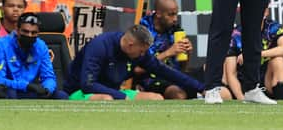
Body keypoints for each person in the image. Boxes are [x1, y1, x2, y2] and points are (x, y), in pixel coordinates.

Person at [63, 24, 204, 101]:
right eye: (142, 51)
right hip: (80, 92)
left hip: (115, 93)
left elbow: (165, 71)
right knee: (106, 100)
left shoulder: (137, 53)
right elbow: (88, 84)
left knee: (156, 99)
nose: (143, 55)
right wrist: (122, 96)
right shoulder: (100, 46)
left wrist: (201, 88)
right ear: (130, 45)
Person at [137, 0, 201, 99]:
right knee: (178, 94)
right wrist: (168, 53)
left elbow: (183, 69)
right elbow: (138, 69)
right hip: (151, 79)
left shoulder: (175, 30)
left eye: (176, 14)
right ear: (158, 14)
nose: (175, 19)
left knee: (218, 91)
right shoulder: (142, 31)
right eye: (171, 15)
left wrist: (187, 53)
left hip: (174, 77)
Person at [224, 8, 283, 101]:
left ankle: (281, 102)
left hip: (266, 80)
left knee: (278, 60)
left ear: (266, 12)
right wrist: (242, 99)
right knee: (225, 71)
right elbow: (231, 74)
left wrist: (254, 55)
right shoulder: (235, 34)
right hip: (244, 82)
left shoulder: (274, 28)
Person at [0, 13, 68, 99]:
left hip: (31, 90)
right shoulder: (1, 45)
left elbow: (48, 76)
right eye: (25, 31)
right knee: (9, 93)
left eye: (33, 32)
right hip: (10, 89)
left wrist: (48, 89)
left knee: (61, 96)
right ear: (17, 29)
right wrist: (26, 86)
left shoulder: (41, 46)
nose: (29, 35)